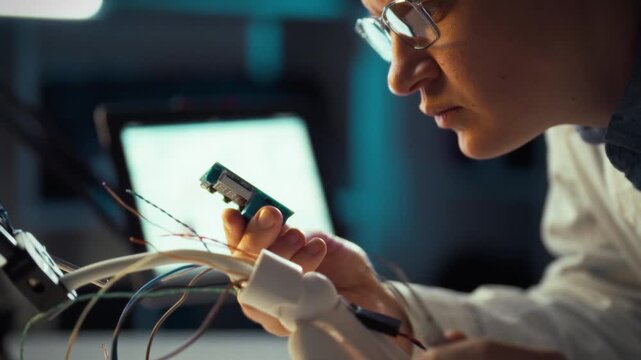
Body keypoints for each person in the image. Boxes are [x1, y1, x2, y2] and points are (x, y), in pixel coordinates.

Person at [222, 1, 641, 359]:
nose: (399, 78)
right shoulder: (578, 118)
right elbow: (620, 313)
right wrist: (387, 313)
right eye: (386, 28)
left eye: (422, 13)